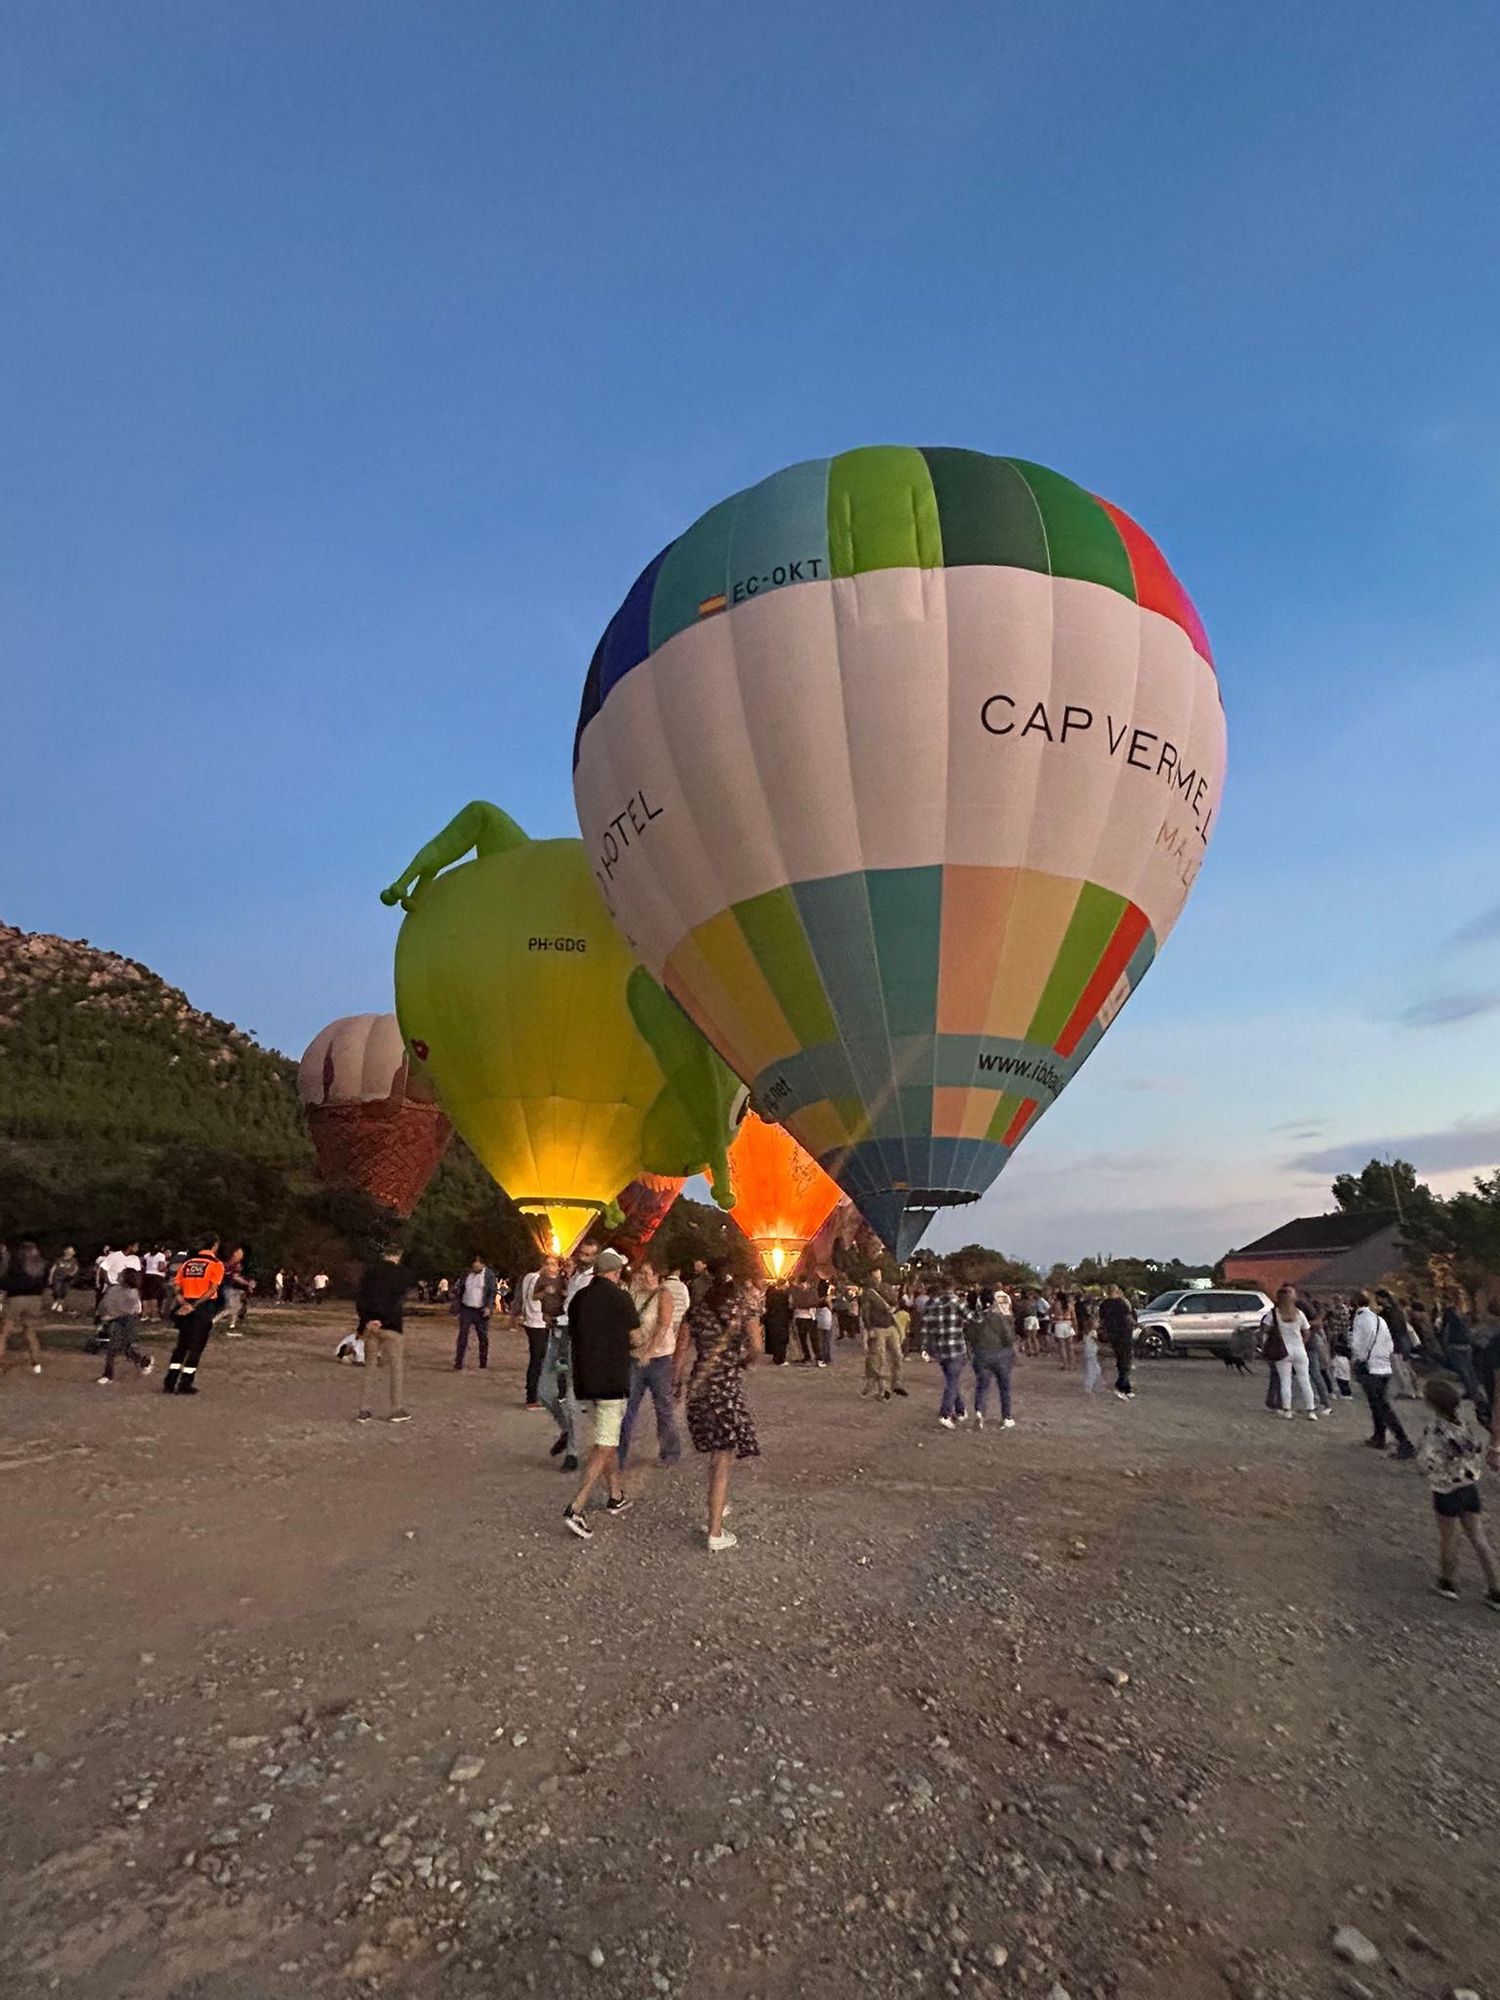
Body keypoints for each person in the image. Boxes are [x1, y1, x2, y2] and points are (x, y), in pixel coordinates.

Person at [676, 1264, 762, 1551]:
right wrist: (744, 1361)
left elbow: (680, 1352)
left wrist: (676, 1383)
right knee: (722, 1459)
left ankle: (717, 1508)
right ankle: (715, 1531)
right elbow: (757, 1347)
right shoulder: (741, 1309)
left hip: (699, 1388)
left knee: (715, 1455)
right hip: (725, 1388)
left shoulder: (696, 1311)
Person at [562, 1249, 640, 1538]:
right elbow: (634, 1335)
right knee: (606, 1444)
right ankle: (576, 1508)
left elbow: (573, 1333)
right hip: (612, 1380)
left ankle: (615, 1495)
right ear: (616, 1272)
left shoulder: (580, 1299)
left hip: (585, 1380)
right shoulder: (621, 1298)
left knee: (605, 1437)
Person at [1417, 1376, 1500, 1607]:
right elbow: (1476, 1448)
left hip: (1446, 1489)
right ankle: (1495, 1589)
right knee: (1479, 1537)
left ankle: (1448, 1581)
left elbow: (1425, 1463)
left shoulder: (1434, 1429)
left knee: (1449, 1537)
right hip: (1468, 1485)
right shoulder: (1464, 1424)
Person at [619, 1257, 685, 1469]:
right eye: (642, 1273)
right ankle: (618, 1455)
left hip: (659, 1358)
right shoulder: (635, 1295)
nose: (645, 1278)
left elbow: (664, 1325)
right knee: (627, 1408)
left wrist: (649, 1352)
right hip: (634, 1356)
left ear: (657, 1275)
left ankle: (670, 1451)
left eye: (649, 1274)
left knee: (663, 1406)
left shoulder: (663, 1295)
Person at [1351, 1291, 1416, 1458]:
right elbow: (1388, 1341)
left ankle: (1403, 1440)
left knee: (1380, 1405)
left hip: (1370, 1366)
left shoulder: (1361, 1319)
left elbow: (1357, 1344)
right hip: (1383, 1365)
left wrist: (1359, 1359)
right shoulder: (1378, 1319)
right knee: (1379, 1404)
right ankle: (1379, 1436)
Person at [354, 1250, 414, 1423]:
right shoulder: (401, 1275)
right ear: (399, 1254)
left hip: (370, 1326)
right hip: (391, 1326)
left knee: (370, 1367)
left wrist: (367, 1320)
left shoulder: (369, 1273)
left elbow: (361, 1299)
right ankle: (396, 1408)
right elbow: (396, 1301)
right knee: (395, 1368)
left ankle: (364, 1410)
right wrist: (384, 1319)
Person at [162, 1237, 226, 1395]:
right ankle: (185, 1383)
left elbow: (175, 1284)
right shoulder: (216, 1264)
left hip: (185, 1304)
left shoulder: (188, 1263)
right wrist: (194, 1305)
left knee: (181, 1345)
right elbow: (212, 1290)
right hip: (202, 1307)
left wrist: (182, 1301)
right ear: (214, 1246)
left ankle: (170, 1382)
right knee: (196, 1347)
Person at [1260, 1285, 1325, 1421]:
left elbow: (1264, 1329)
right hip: (1299, 1349)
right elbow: (1306, 1331)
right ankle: (1310, 1410)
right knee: (1305, 1380)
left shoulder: (1274, 1314)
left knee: (1285, 1381)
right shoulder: (1299, 1313)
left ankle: (1287, 1409)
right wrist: (1302, 1342)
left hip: (1282, 1350)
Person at [923, 1270, 970, 1428]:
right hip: (956, 1346)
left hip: (940, 1347)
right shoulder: (957, 1302)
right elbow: (972, 1319)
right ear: (953, 1286)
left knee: (952, 1380)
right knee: (952, 1381)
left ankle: (960, 1410)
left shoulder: (932, 1304)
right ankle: (945, 1413)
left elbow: (926, 1326)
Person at [0, 1239, 49, 1374]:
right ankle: (36, 1363)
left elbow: (4, 1281)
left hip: (15, 1298)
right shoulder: (41, 1265)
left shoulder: (15, 1263)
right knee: (30, 1331)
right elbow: (45, 1284)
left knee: (4, 1333)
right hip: (35, 1300)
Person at [98, 1268, 153, 1384]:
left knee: (127, 1347)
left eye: (121, 1274)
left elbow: (134, 1310)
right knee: (112, 1348)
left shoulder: (132, 1292)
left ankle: (144, 1361)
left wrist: (112, 1315)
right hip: (116, 1320)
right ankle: (108, 1375)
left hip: (127, 1321)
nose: (118, 1275)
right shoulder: (114, 1289)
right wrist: (104, 1315)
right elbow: (106, 1303)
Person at [969, 1294, 1017, 1428]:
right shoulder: (999, 1317)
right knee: (1004, 1387)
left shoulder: (975, 1318)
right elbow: (1008, 1337)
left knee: (982, 1386)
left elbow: (969, 1336)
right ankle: (1006, 1417)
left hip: (981, 1354)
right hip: (1000, 1353)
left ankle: (980, 1411)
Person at [859, 1279, 906, 1399]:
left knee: (897, 1355)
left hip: (889, 1325)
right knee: (879, 1358)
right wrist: (869, 1328)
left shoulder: (886, 1288)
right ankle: (883, 1389)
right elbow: (865, 1312)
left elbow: (895, 1302)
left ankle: (895, 1384)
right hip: (878, 1327)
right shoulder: (868, 1294)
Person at [516, 1260, 553, 1408]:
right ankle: (533, 1397)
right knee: (538, 1361)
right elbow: (535, 1296)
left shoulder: (528, 1277)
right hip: (538, 1322)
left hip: (530, 1321)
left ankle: (532, 1394)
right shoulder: (539, 1280)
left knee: (535, 1359)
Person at [453, 1254, 498, 1370]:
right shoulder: (466, 1274)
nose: (475, 1266)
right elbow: (460, 1289)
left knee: (482, 1336)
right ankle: (458, 1362)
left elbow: (492, 1292)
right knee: (462, 1335)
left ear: (483, 1265)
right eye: (474, 1263)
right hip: (466, 1308)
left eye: (478, 1263)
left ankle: (483, 1362)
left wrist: (488, 1307)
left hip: (481, 1310)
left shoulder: (489, 1275)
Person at [1099, 1287, 1137, 1401]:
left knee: (1121, 1359)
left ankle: (1126, 1387)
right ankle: (1121, 1385)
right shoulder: (1122, 1303)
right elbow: (1128, 1317)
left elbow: (1102, 1319)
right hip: (1124, 1332)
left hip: (1112, 1333)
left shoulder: (1104, 1304)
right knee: (1125, 1360)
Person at [218, 1249, 251, 1335]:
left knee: (237, 1306)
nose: (241, 1255)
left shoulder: (228, 1264)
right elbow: (235, 1277)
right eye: (239, 1253)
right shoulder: (232, 1264)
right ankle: (213, 1321)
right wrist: (247, 1283)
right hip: (229, 1288)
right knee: (231, 1308)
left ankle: (232, 1325)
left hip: (231, 1288)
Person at [761, 1282, 792, 1367]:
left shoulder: (770, 1294)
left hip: (772, 1320)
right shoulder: (782, 1295)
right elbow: (788, 1306)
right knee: (781, 1339)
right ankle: (780, 1359)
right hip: (781, 1320)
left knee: (775, 1339)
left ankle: (776, 1357)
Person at [789, 1276, 818, 1364]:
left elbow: (812, 1303)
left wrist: (800, 1304)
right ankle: (809, 1356)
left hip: (807, 1317)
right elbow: (796, 1303)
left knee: (812, 1339)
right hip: (803, 1317)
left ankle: (816, 1356)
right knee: (804, 1339)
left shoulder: (809, 1292)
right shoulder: (798, 1291)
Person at [1080, 1297, 1102, 1393]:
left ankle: (1097, 1384)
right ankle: (1089, 1385)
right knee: (1093, 1369)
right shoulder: (1093, 1333)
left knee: (1096, 1368)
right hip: (1091, 1352)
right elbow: (1097, 1341)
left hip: (1090, 1352)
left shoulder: (1087, 1333)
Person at [47, 1245, 79, 1314]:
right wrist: (50, 1277)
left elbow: (76, 1268)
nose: (71, 1252)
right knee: (57, 1290)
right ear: (65, 1251)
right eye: (69, 1250)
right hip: (58, 1278)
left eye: (72, 1251)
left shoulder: (74, 1260)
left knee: (64, 1292)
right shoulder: (59, 1260)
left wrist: (72, 1273)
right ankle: (56, 1301)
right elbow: (53, 1268)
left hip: (68, 1279)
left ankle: (60, 1305)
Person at [1052, 1290, 1078, 1371]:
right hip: (1068, 1324)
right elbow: (1074, 1317)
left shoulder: (1055, 1304)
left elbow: (1048, 1312)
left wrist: (1053, 1318)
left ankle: (1065, 1364)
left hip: (1059, 1324)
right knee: (1070, 1346)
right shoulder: (1070, 1305)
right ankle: (1072, 1365)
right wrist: (1075, 1327)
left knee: (1062, 1346)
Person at [814, 1282, 835, 1368]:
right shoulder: (827, 1297)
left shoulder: (817, 1297)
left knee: (820, 1339)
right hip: (827, 1318)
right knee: (827, 1339)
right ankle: (827, 1356)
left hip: (818, 1317)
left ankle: (820, 1355)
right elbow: (831, 1307)